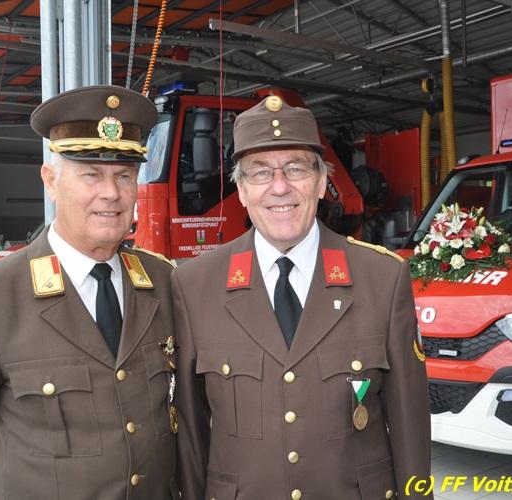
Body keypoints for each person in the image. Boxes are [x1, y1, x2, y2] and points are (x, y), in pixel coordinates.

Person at [173, 95, 432, 500]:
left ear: (321, 181)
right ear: (241, 190)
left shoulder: (382, 278)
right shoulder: (194, 285)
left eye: (295, 168)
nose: (280, 187)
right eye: (260, 172)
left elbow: (409, 424)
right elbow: (190, 434)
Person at [0, 85, 178, 500]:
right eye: (91, 174)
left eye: (124, 175)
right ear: (51, 181)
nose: (111, 193)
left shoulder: (162, 282)